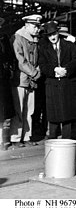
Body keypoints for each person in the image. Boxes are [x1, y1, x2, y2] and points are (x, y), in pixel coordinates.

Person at [38, 21, 76, 139]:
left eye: (54, 34)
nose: (52, 37)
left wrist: (67, 70)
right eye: (49, 35)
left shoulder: (69, 45)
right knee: (53, 116)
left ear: (58, 33)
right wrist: (55, 70)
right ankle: (53, 140)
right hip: (52, 85)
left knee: (67, 116)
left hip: (68, 84)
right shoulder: (43, 48)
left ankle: (66, 141)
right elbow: (42, 65)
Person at [10, 14, 42, 147]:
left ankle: (26, 136)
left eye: (38, 26)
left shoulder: (34, 39)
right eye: (35, 26)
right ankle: (16, 138)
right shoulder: (17, 38)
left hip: (30, 80)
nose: (37, 29)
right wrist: (35, 73)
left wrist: (37, 71)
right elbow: (20, 60)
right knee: (19, 109)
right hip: (20, 80)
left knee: (29, 110)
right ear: (27, 25)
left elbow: (37, 59)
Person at [0, 18, 15, 150]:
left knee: (4, 110)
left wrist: (9, 69)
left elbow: (9, 56)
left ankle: (4, 140)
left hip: (3, 78)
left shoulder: (4, 38)